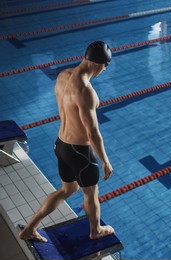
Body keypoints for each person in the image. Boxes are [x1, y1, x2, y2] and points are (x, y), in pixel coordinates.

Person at [19, 41, 115, 242]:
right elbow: (93, 133)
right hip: (80, 152)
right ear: (100, 64)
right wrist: (105, 161)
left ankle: (29, 228)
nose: (104, 71)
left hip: (61, 145)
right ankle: (95, 230)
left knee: (67, 189)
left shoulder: (63, 76)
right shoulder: (85, 91)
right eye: (105, 67)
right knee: (91, 194)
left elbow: (65, 108)